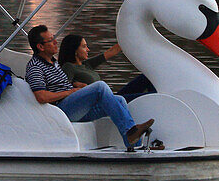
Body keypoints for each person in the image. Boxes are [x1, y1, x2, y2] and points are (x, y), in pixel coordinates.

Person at [25, 24, 158, 150]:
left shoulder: (53, 63)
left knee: (120, 100)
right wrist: (70, 92)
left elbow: (58, 85)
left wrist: (74, 85)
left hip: (73, 107)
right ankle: (131, 132)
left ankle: (135, 145)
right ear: (41, 47)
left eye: (54, 38)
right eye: (51, 40)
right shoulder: (35, 67)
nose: (55, 42)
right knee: (100, 87)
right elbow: (41, 96)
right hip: (61, 111)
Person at [59, 34, 154, 102]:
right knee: (149, 96)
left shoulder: (86, 64)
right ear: (75, 50)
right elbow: (62, 88)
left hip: (111, 97)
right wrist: (74, 84)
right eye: (84, 47)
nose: (88, 49)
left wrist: (133, 37)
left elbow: (111, 51)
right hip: (102, 103)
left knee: (147, 76)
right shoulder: (68, 67)